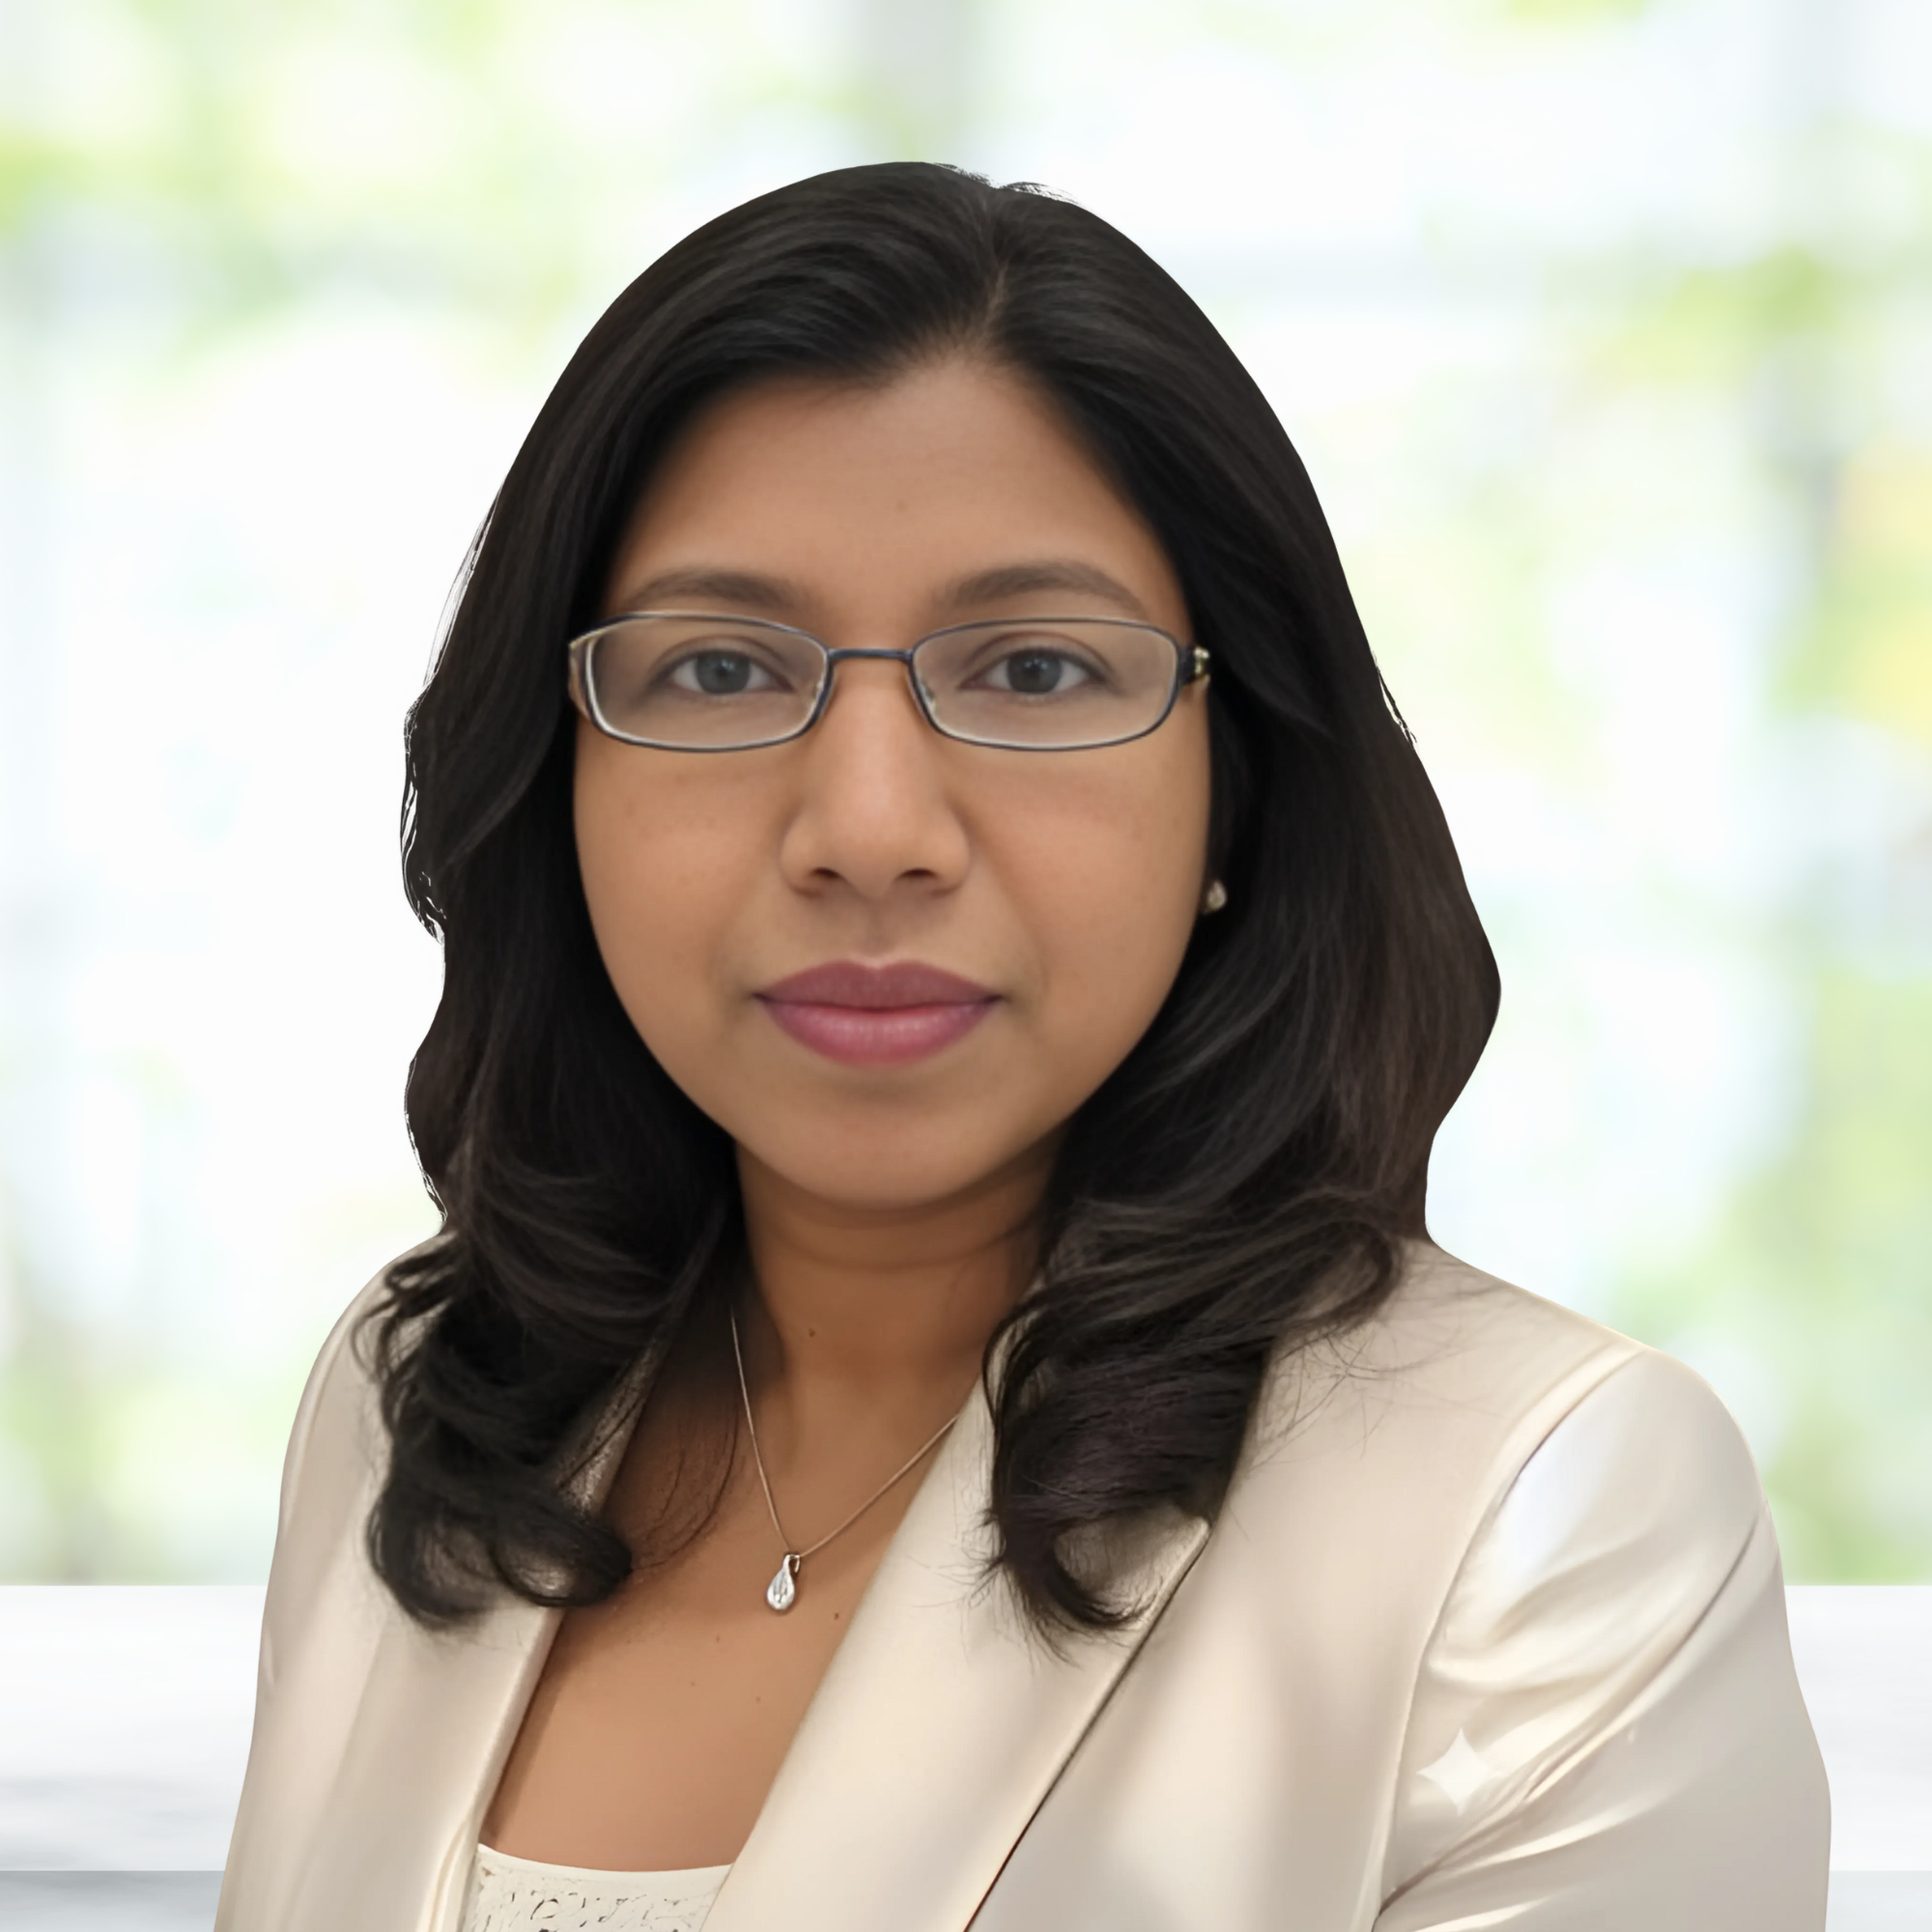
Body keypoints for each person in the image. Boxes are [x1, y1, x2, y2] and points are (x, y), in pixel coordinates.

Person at [215, 163, 1829, 1932]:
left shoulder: (1538, 1517)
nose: (871, 826)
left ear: (1242, 785)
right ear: (557, 777)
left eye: (1038, 672)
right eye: (722, 672)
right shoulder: (419, 1407)